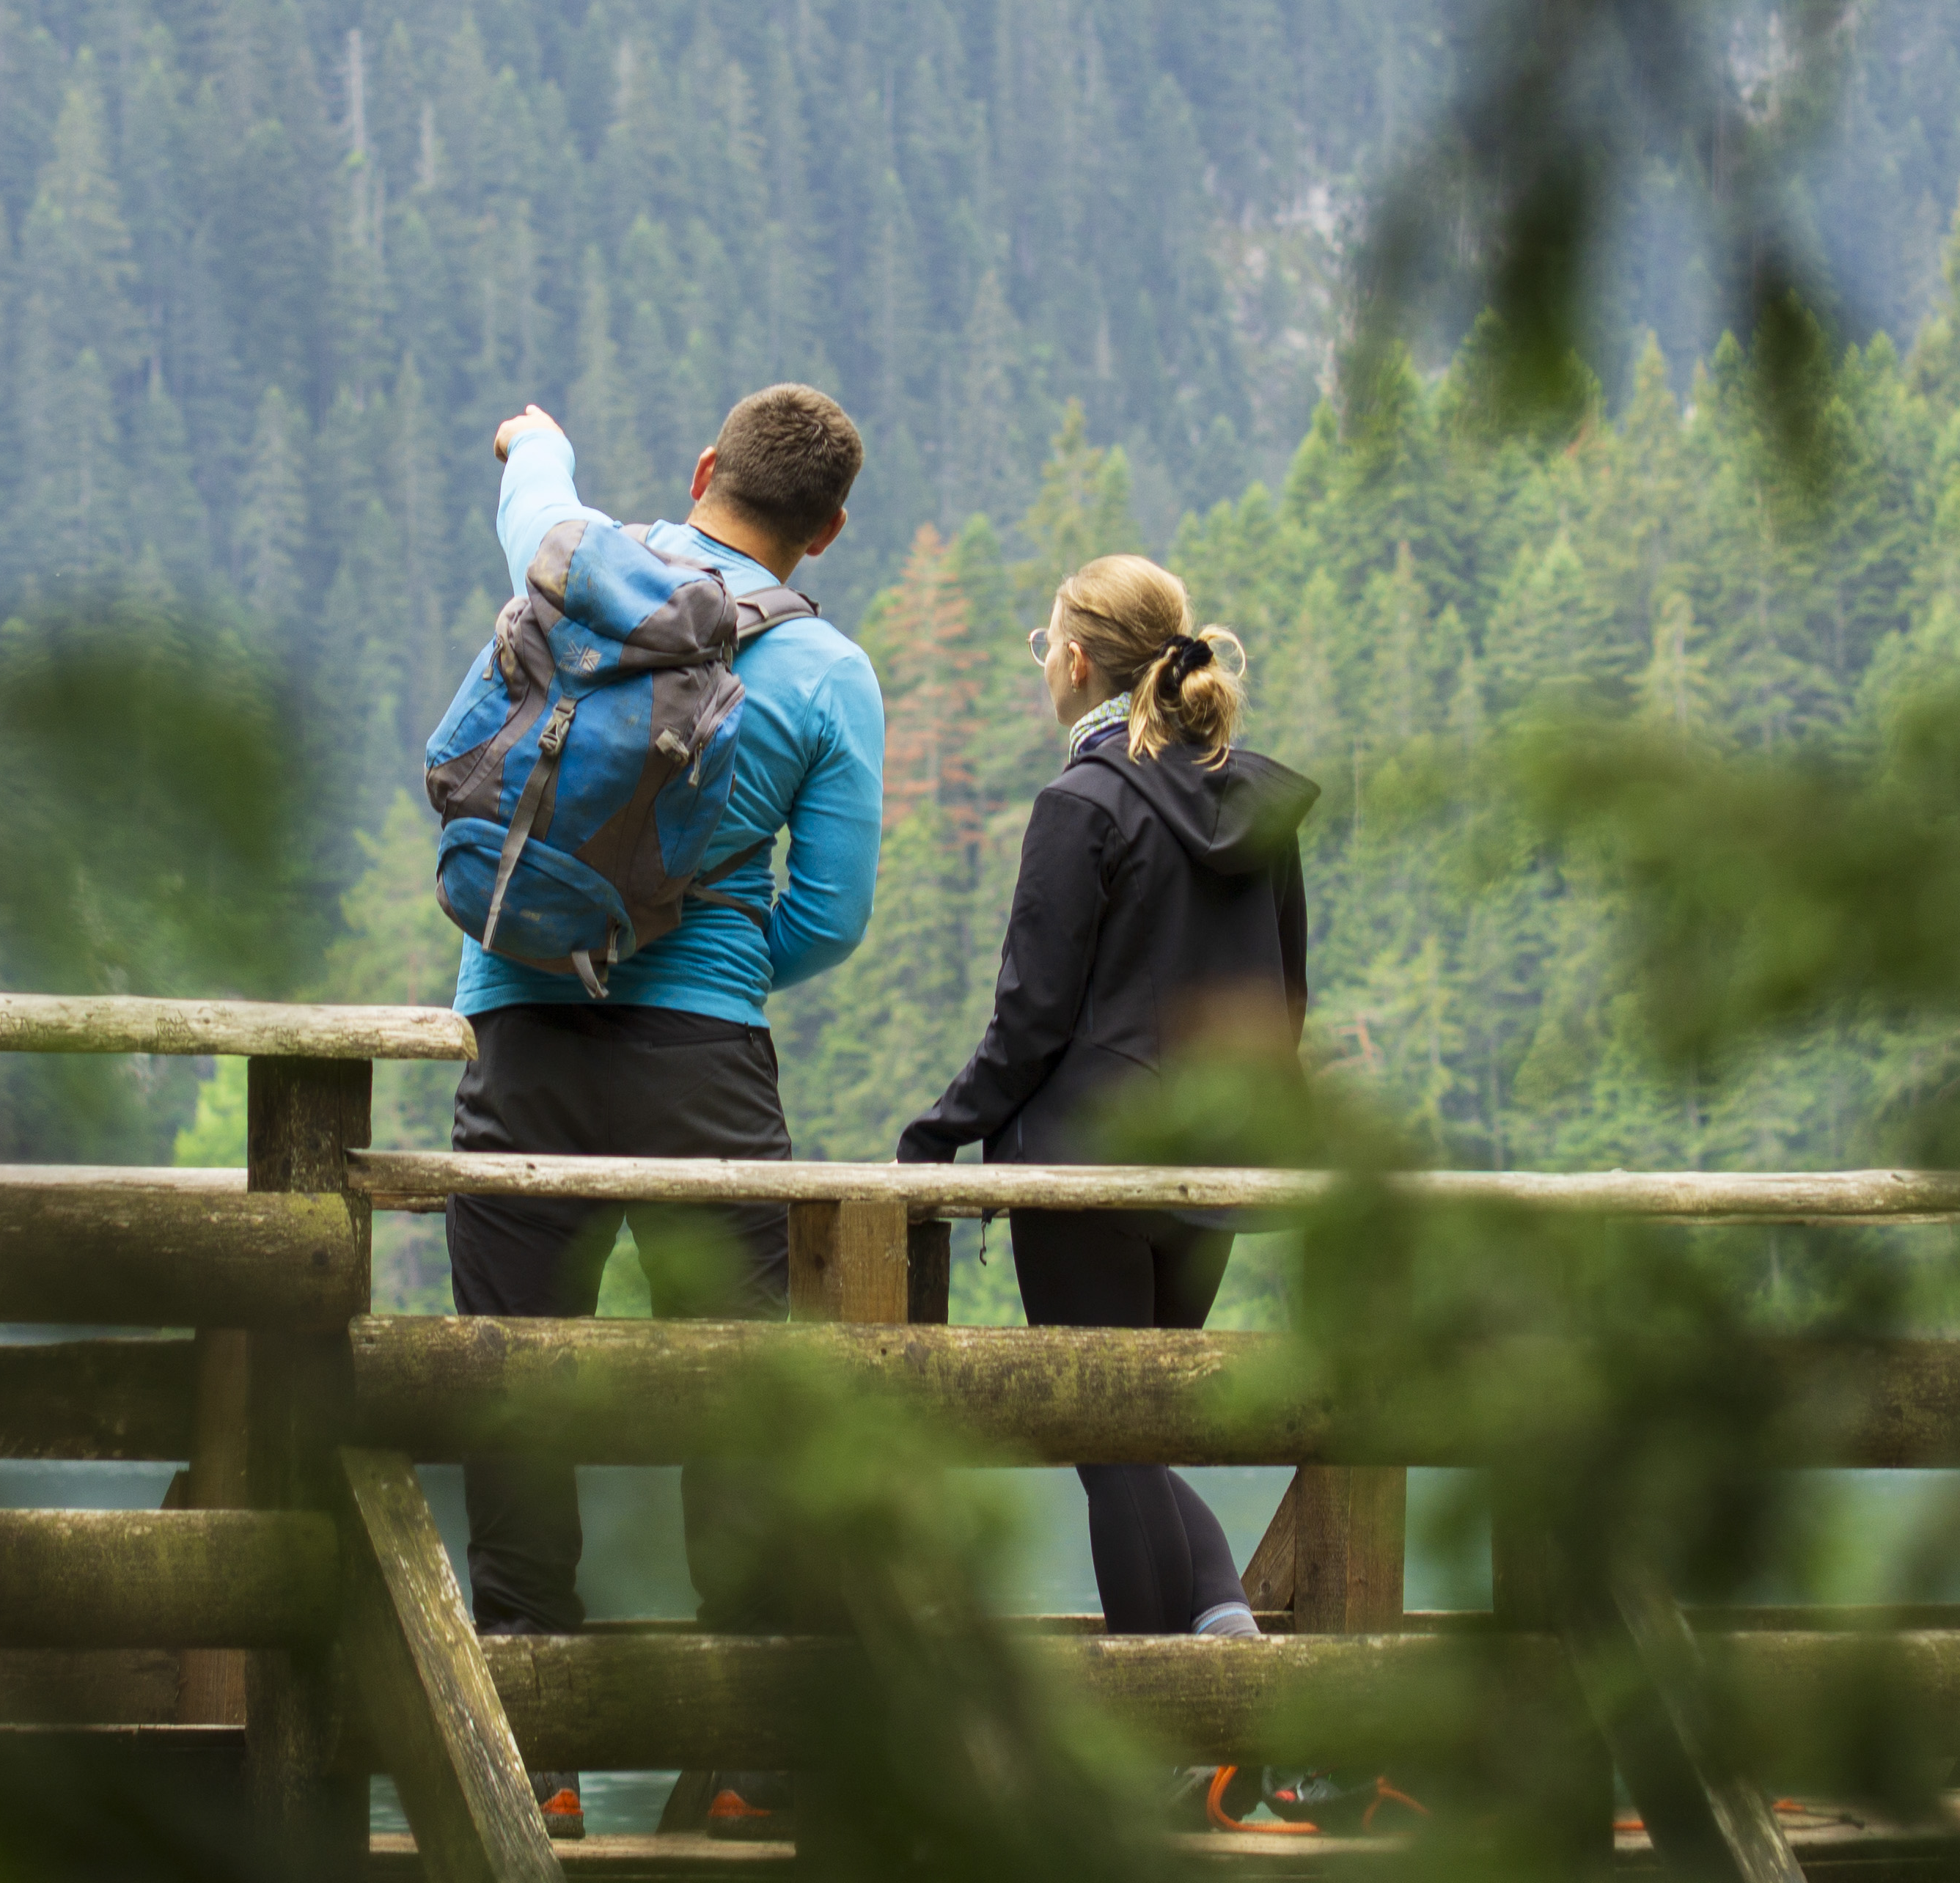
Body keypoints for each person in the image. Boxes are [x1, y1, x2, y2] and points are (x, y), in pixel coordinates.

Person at [447, 385, 883, 1842]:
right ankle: (753, 1757)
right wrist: (712, 952)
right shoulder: (825, 668)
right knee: (733, 1386)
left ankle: (538, 1756)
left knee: (515, 1383)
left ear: (702, 472)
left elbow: (530, 492)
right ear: (824, 529)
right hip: (701, 1054)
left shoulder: (573, 565)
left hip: (519, 1026)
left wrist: (537, 434)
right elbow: (826, 915)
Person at [895, 553, 1315, 1649]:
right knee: (1138, 1437)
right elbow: (1287, 1002)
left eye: (1045, 649)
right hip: (1213, 1173)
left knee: (1107, 1437)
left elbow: (1031, 1019)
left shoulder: (1080, 806)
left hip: (1088, 1172)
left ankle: (1157, 1731)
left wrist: (932, 1139)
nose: (1045, 667)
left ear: (1076, 662)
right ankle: (1221, 1624)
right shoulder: (1255, 806)